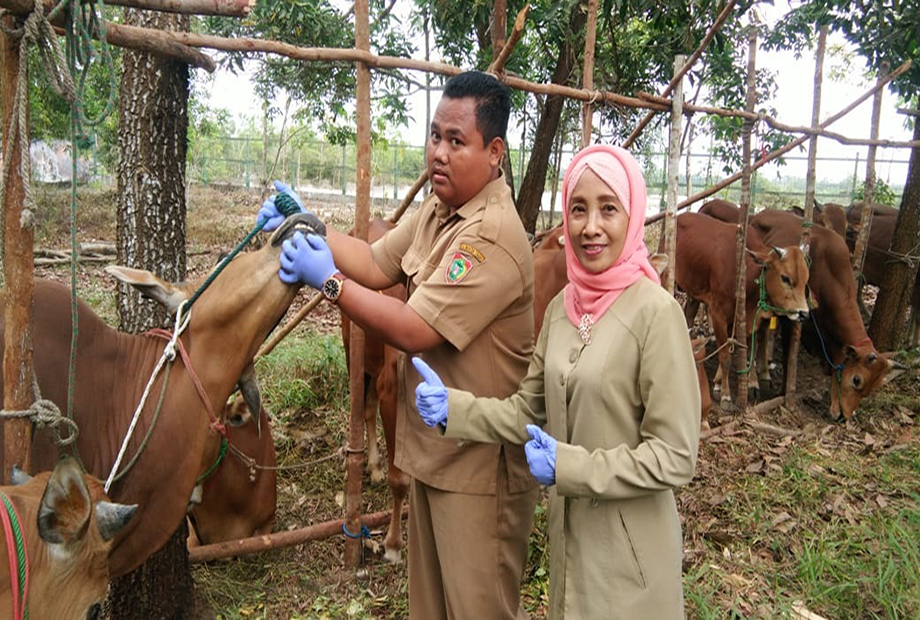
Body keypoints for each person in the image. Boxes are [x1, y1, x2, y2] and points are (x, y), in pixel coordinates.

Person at [258, 71, 540, 620]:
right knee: (431, 608)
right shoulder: (439, 210)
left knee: (477, 610)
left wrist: (328, 282)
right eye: (435, 136)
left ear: (494, 152)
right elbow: (376, 260)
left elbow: (413, 328)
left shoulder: (490, 235)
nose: (438, 151)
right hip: (437, 452)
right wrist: (307, 225)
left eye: (456, 141)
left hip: (482, 470)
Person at [412, 144, 701, 620]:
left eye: (609, 208)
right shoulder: (562, 311)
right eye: (578, 209)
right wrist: (455, 409)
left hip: (631, 555)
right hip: (571, 544)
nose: (591, 226)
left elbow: (675, 456)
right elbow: (528, 412)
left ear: (633, 216)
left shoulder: (656, 314)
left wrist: (569, 467)